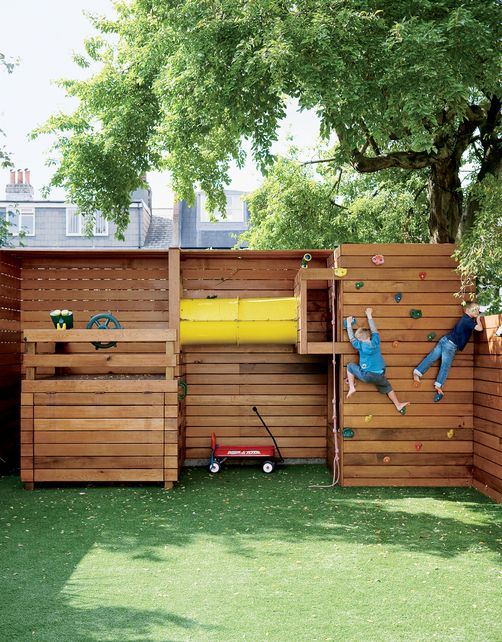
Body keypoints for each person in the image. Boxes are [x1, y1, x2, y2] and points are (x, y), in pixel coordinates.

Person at [413, 301, 483, 401]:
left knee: (431, 358)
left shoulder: (464, 319)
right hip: (450, 345)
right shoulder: (468, 321)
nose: (477, 312)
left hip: (444, 340)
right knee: (445, 366)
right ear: (467, 310)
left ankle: (417, 373)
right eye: (475, 310)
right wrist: (479, 319)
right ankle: (438, 385)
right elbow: (480, 328)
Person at [346, 307, 409, 413]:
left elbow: (351, 338)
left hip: (367, 375)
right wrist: (369, 315)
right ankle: (398, 404)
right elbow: (374, 330)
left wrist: (348, 324)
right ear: (369, 336)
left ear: (360, 339)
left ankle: (352, 387)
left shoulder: (360, 345)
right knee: (388, 387)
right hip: (380, 375)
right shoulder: (376, 341)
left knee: (350, 366)